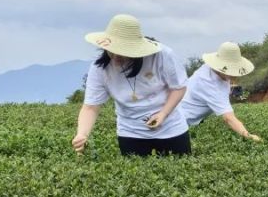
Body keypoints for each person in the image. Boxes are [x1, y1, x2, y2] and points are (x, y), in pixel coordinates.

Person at [73, 14, 190, 156]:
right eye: (112, 50)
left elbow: (179, 88)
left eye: (122, 51)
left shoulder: (162, 55)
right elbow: (91, 107)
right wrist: (82, 134)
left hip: (171, 128)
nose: (116, 56)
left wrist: (163, 113)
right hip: (130, 131)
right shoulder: (100, 69)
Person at [179, 42, 261, 142]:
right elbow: (228, 118)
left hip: (187, 116)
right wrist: (248, 135)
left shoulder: (210, 68)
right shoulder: (209, 83)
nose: (234, 74)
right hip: (179, 122)